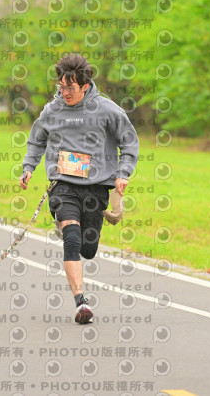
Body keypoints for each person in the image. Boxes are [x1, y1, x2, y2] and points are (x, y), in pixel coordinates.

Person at [19, 53, 139, 324]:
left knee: (88, 248)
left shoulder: (107, 110)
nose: (65, 93)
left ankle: (73, 227)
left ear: (85, 86)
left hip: (97, 187)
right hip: (63, 184)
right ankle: (81, 303)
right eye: (61, 87)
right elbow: (37, 140)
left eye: (70, 88)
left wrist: (123, 173)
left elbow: (129, 142)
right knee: (72, 239)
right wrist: (28, 167)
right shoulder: (53, 110)